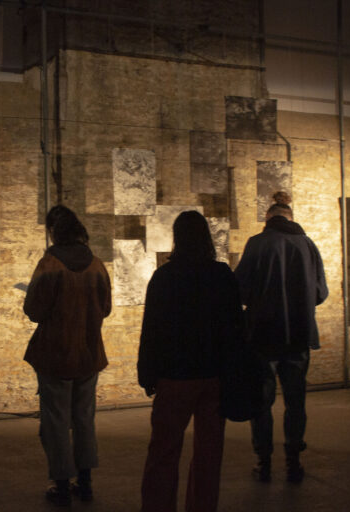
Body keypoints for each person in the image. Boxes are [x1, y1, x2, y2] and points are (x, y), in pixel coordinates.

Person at [138, 210, 243, 512]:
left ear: (177, 239)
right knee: (209, 455)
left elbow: (152, 329)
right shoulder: (222, 276)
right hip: (213, 377)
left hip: (174, 376)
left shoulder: (165, 277)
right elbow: (235, 329)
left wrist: (147, 374)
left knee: (163, 452)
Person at [234, 191, 328, 484]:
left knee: (261, 402)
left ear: (268, 219)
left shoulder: (257, 244)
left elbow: (240, 290)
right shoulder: (308, 245)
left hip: (262, 337)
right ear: (290, 218)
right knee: (295, 402)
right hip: (298, 336)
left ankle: (264, 463)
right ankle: (293, 462)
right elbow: (320, 292)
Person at [23, 205, 112, 506]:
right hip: (88, 353)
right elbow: (106, 308)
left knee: (56, 421)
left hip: (54, 354)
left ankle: (61, 484)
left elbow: (34, 311)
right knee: (84, 418)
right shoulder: (97, 265)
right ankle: (85, 481)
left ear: (53, 231)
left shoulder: (50, 265)